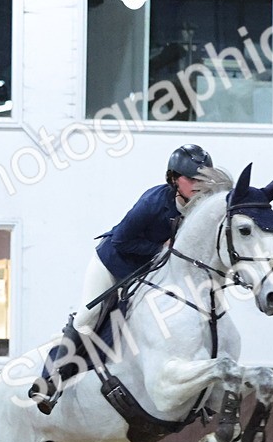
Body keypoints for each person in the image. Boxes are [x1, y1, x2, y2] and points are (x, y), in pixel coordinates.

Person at [29, 144, 214, 412]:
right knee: (87, 317)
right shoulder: (153, 203)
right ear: (174, 179)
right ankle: (50, 379)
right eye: (192, 179)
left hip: (150, 271)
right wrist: (162, 249)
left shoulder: (199, 210)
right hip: (113, 261)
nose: (199, 185)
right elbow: (122, 241)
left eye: (203, 180)